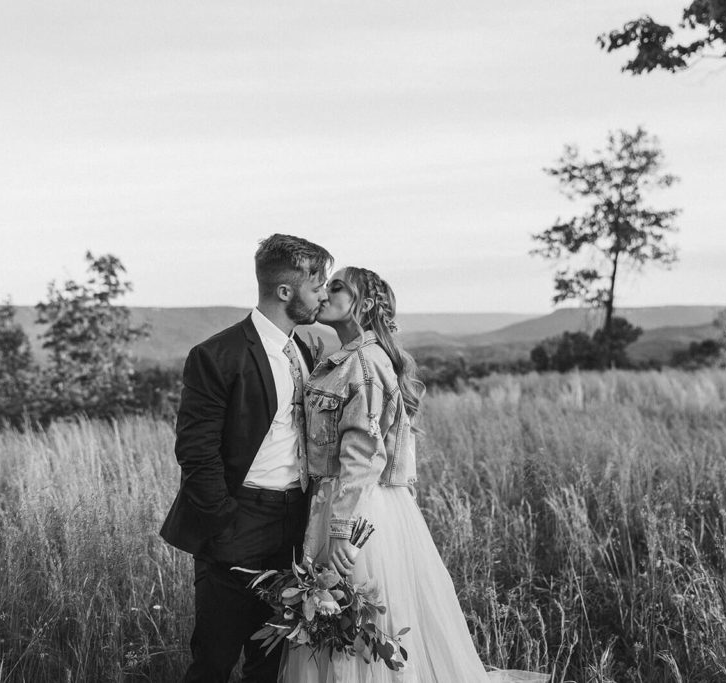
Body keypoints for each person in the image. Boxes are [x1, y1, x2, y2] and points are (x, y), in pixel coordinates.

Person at [282, 266, 549, 683]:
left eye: (337, 287)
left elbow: (363, 453)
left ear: (364, 305)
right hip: (347, 502)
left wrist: (339, 529)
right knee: (338, 621)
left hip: (354, 510)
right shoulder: (348, 359)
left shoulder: (364, 365)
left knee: (354, 623)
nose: (324, 292)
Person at [159, 234, 333, 683]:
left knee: (272, 660)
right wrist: (223, 521)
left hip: (295, 523)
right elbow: (195, 451)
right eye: (317, 287)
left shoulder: (305, 349)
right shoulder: (217, 355)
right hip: (237, 520)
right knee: (214, 660)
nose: (324, 295)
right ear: (284, 291)